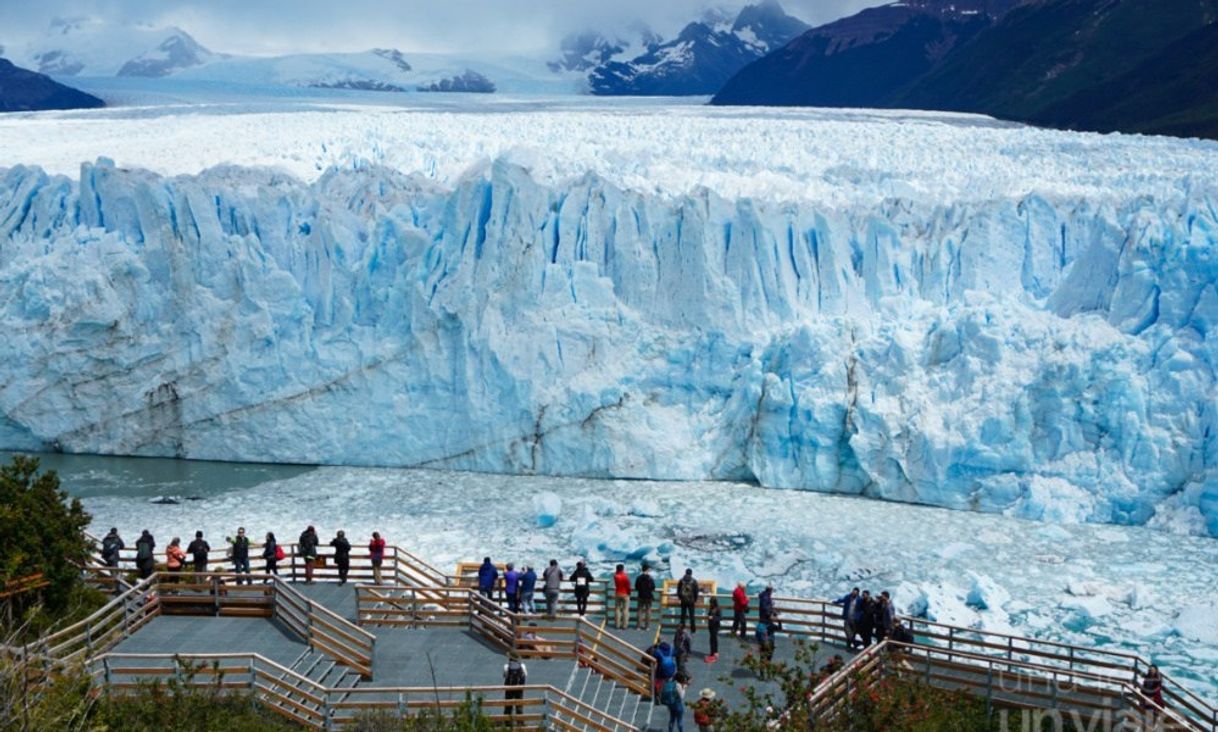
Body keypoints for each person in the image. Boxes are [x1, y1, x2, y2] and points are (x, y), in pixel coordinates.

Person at [503, 652, 527, 721]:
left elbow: (504, 675)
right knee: (519, 707)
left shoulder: (506, 666)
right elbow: (525, 675)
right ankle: (520, 723)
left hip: (509, 689)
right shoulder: (522, 666)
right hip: (519, 689)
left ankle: (507, 723)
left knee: (508, 707)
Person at [636, 564, 656, 630]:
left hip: (641, 596)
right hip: (648, 596)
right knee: (648, 611)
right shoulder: (650, 578)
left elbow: (636, 587)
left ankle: (638, 626)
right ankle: (647, 626)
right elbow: (653, 587)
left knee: (640, 611)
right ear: (647, 570)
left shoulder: (639, 578)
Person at [613, 564, 631, 629]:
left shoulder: (615, 576)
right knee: (625, 610)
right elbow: (628, 586)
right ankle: (624, 625)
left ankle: (617, 625)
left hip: (617, 593)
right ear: (623, 569)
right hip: (625, 593)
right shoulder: (625, 576)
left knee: (617, 609)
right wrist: (629, 593)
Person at [705, 597, 722, 663]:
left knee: (713, 639)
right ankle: (714, 652)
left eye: (711, 602)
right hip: (711, 625)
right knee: (712, 639)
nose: (710, 604)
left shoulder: (718, 609)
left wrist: (713, 617)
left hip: (715, 626)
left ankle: (713, 653)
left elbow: (720, 618)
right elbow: (709, 615)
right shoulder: (711, 608)